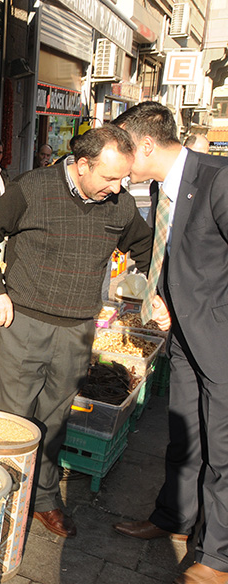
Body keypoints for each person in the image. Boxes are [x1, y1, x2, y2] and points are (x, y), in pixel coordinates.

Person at [0, 125, 153, 538]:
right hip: (24, 322)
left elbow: (145, 246)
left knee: (54, 421)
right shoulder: (33, 187)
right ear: (83, 164)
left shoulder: (119, 206)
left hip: (77, 329)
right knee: (7, 418)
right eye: (109, 177)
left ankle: (44, 499)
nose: (117, 186)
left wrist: (157, 289)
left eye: (122, 178)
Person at [111, 102, 228, 584]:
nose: (116, 161)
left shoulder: (219, 179)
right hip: (182, 335)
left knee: (222, 450)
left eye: (122, 150)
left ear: (145, 146)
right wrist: (162, 295)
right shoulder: (160, 185)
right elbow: (172, 252)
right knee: (184, 435)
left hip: (219, 338)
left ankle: (217, 557)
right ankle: (173, 518)